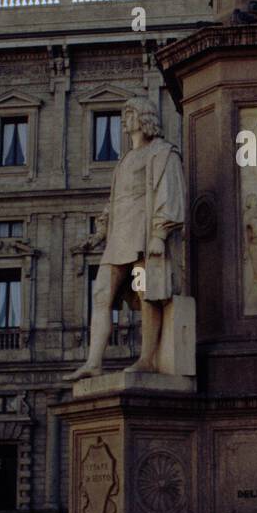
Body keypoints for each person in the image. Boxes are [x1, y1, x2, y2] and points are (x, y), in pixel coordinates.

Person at [65, 97, 184, 379]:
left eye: (130, 114)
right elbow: (115, 200)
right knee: (101, 293)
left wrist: (159, 233)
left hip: (143, 236)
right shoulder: (126, 159)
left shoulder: (163, 152)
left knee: (147, 295)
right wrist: (100, 234)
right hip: (120, 237)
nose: (124, 119)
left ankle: (147, 359)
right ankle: (94, 362)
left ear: (145, 117)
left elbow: (170, 191)